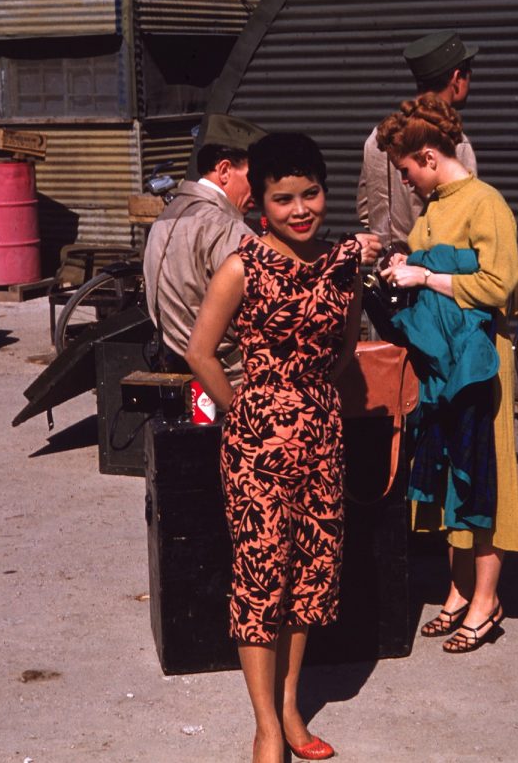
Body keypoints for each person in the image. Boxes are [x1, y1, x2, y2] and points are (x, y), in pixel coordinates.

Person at [185, 133, 364, 761]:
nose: (299, 209)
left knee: (311, 575)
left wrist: (311, 397)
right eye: (283, 198)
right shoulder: (242, 264)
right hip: (258, 441)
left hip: (322, 432)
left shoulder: (344, 264)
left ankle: (291, 708)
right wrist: (247, 411)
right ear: (259, 201)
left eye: (310, 194)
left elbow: (345, 346)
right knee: (263, 578)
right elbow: (200, 353)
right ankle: (265, 726)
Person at [375, 93, 518, 653]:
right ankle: (460, 590)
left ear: (430, 155)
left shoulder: (486, 203)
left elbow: (497, 284)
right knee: (447, 478)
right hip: (442, 363)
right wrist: (403, 266)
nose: (407, 181)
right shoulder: (436, 203)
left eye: (407, 170)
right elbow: (426, 261)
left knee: (483, 478)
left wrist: (424, 278)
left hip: (480, 362)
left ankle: (488, 602)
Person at [144, 114, 266, 374]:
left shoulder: (165, 218)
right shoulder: (226, 227)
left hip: (175, 358)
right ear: (224, 171)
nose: (261, 189)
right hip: (230, 373)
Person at [358, 30, 479, 248]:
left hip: (388, 271)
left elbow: (366, 209)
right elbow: (469, 216)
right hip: (437, 273)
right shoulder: (453, 141)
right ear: (457, 78)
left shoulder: (379, 136)